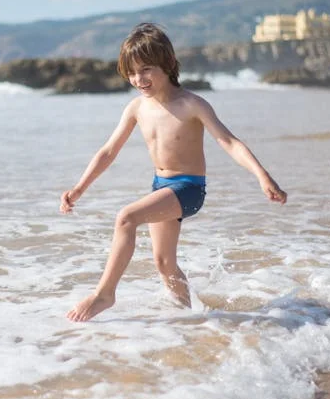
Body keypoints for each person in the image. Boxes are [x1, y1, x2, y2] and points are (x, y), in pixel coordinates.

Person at [60, 23, 287, 322]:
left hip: (189, 189)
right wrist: (79, 188)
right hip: (161, 187)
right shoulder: (136, 108)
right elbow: (108, 151)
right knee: (164, 263)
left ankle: (105, 294)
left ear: (166, 64)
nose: (138, 79)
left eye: (146, 70)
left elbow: (229, 142)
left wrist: (262, 175)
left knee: (126, 217)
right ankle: (188, 320)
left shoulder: (191, 104)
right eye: (132, 72)